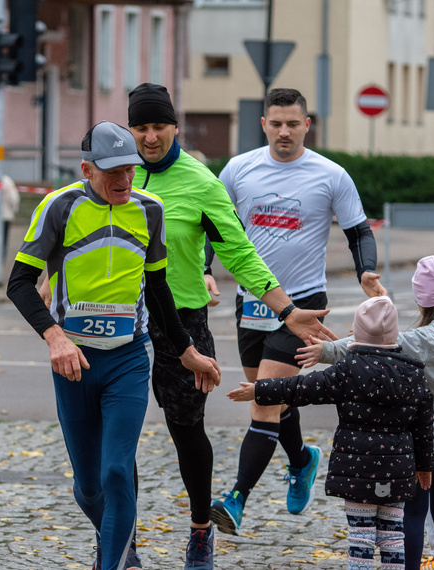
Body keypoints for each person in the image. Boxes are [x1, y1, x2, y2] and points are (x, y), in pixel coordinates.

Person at [125, 82, 336, 569]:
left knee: (185, 431)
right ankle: (122, 540)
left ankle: (201, 530)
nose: (150, 137)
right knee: (119, 437)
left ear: (175, 127)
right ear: (129, 129)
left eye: (159, 126)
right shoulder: (117, 175)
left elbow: (239, 252)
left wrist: (286, 310)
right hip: (124, 321)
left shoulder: (201, 182)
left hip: (182, 322)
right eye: (141, 127)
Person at [6, 121, 221, 570]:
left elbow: (158, 290)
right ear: (87, 169)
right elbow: (19, 283)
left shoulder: (150, 210)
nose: (124, 180)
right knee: (89, 488)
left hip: (128, 359)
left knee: (118, 471)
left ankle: (119, 561)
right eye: (112, 172)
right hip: (75, 363)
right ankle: (115, 543)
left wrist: (186, 351)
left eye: (130, 169)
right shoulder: (59, 207)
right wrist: (55, 337)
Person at [210, 87, 386, 536]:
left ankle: (235, 499)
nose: (284, 131)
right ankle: (303, 459)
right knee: (275, 395)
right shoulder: (238, 170)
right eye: (276, 123)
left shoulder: (330, 175)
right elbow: (213, 226)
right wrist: (204, 270)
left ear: (307, 125)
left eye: (293, 123)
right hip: (251, 301)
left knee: (265, 399)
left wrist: (366, 271)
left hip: (305, 304)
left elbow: (359, 231)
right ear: (263, 124)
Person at [297, 256, 434, 570]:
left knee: (413, 514)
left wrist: (326, 350)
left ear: (421, 302)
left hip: (423, 441)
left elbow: (371, 343)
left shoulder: (425, 339)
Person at [230, 296, 434, 570]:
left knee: (360, 536)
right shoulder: (413, 374)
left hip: (357, 470)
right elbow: (424, 427)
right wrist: (424, 466)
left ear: (357, 333)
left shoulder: (348, 370)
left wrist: (259, 390)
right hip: (398, 470)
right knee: (392, 535)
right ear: (395, 335)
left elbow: (302, 388)